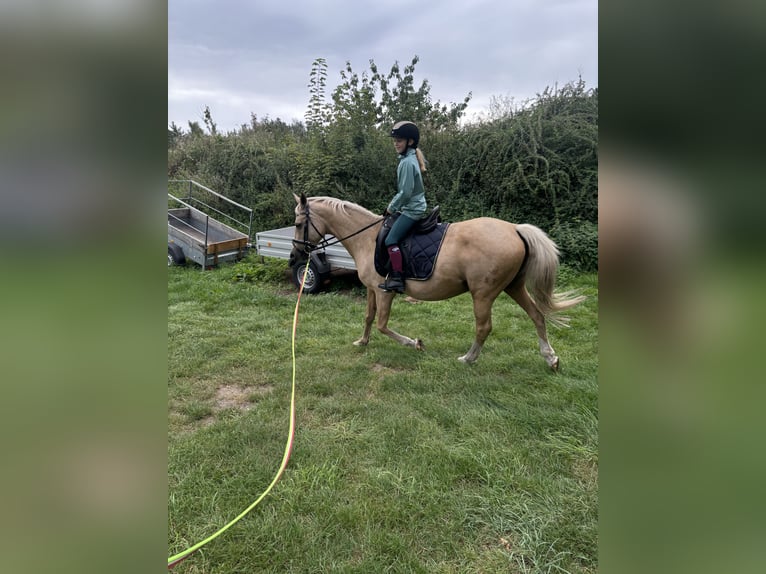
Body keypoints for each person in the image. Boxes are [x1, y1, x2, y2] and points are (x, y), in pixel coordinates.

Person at [378, 121, 428, 293]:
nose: (396, 143)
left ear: (410, 142)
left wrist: (391, 208)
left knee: (390, 240)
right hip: (412, 206)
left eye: (399, 140)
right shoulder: (410, 158)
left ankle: (398, 278)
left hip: (412, 210)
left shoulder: (406, 163)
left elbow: (405, 193)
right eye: (395, 140)